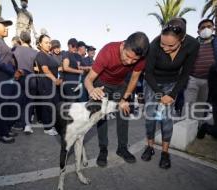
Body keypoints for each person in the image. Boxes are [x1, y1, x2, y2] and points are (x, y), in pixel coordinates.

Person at [84, 31, 150, 167]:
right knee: (101, 116)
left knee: (124, 112)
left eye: (134, 60)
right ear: (123, 45)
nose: (129, 62)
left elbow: (133, 79)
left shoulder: (141, 58)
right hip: (101, 83)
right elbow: (88, 79)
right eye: (127, 56)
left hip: (120, 84)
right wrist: (92, 90)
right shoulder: (108, 51)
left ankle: (122, 148)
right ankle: (103, 149)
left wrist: (124, 99)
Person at [142, 18, 199, 169]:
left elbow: (185, 74)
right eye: (163, 43)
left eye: (171, 45)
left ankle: (165, 153)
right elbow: (147, 73)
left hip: (172, 83)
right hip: (152, 82)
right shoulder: (154, 45)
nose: (165, 48)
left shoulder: (193, 45)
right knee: (150, 116)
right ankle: (150, 147)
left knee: (166, 118)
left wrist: (172, 95)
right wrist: (160, 95)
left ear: (182, 39)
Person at [183, 19, 217, 127]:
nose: (206, 29)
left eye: (209, 26)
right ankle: (185, 125)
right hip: (192, 78)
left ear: (213, 29)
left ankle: (197, 126)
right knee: (189, 103)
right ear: (198, 31)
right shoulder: (192, 44)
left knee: (201, 104)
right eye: (202, 27)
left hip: (209, 80)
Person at [35, 34, 62, 136]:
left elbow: (55, 68)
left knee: (54, 104)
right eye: (46, 42)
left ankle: (53, 124)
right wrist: (55, 79)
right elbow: (45, 69)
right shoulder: (40, 55)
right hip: (45, 84)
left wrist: (59, 76)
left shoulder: (49, 55)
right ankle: (47, 127)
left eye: (49, 42)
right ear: (40, 44)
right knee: (47, 105)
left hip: (53, 84)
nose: (48, 44)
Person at [12, 31, 37, 135]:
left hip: (19, 77)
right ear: (30, 40)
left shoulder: (14, 50)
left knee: (19, 101)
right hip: (31, 78)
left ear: (20, 40)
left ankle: (18, 123)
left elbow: (11, 64)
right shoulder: (34, 52)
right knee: (29, 101)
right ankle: (27, 125)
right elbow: (37, 67)